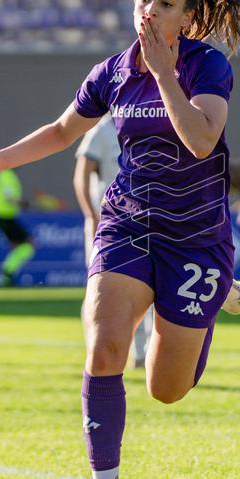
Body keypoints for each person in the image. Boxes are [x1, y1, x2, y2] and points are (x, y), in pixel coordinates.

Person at [0, 0, 240, 479]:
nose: (150, 10)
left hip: (195, 235)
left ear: (188, 18)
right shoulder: (112, 71)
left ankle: (215, 297)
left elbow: (200, 141)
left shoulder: (206, 66)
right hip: (128, 222)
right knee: (103, 345)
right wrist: (3, 160)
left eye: (166, 2)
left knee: (166, 389)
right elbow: (62, 130)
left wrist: (165, 73)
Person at [74, 117, 153, 368]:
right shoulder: (103, 130)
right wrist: (91, 215)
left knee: (147, 286)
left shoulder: (150, 126)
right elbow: (82, 174)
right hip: (108, 225)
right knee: (99, 291)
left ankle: (144, 354)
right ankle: (97, 348)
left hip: (144, 220)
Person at [0, 169, 35, 286]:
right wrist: (23, 203)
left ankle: (7, 275)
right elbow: (9, 197)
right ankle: (7, 272)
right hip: (6, 217)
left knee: (17, 247)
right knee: (28, 244)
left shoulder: (3, 174)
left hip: (5, 217)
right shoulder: (7, 175)